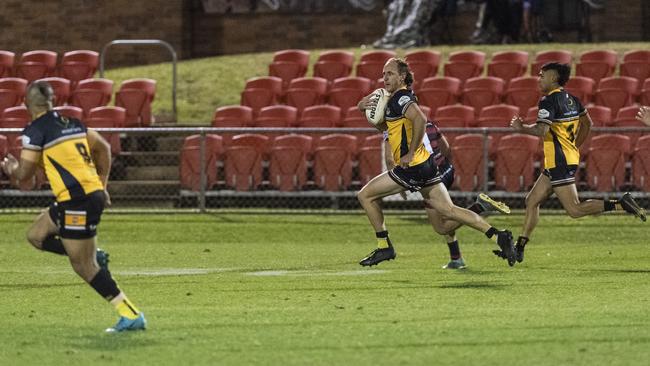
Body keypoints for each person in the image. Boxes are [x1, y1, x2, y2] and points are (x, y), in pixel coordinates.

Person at [0, 81, 146, 333]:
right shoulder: (74, 124)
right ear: (53, 100)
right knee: (36, 235)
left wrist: (10, 167)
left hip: (78, 201)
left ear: (25, 103)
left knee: (84, 267)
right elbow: (104, 148)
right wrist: (103, 185)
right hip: (80, 197)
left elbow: (24, 174)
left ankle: (130, 314)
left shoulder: (36, 131)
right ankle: (94, 254)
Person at [356, 57, 517, 267]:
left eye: (390, 73)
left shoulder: (401, 98)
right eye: (383, 73)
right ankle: (499, 236)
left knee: (365, 195)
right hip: (427, 165)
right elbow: (389, 130)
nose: (384, 77)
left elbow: (421, 120)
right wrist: (363, 110)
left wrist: (410, 153)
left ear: (402, 76)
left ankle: (384, 246)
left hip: (413, 168)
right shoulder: (396, 99)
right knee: (448, 214)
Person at [494, 62, 646, 263]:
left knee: (574, 210)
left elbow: (542, 130)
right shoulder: (573, 100)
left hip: (559, 162)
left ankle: (621, 205)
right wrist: (574, 146)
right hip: (562, 159)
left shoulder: (548, 101)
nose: (539, 79)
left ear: (554, 78)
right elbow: (588, 123)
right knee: (532, 201)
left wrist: (521, 127)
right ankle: (519, 248)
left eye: (542, 75)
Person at [384, 122, 511, 269]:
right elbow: (446, 148)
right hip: (446, 170)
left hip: (430, 177)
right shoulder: (429, 124)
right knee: (446, 215)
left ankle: (480, 208)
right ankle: (456, 258)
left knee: (442, 226)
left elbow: (389, 160)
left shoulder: (396, 128)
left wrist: (400, 185)